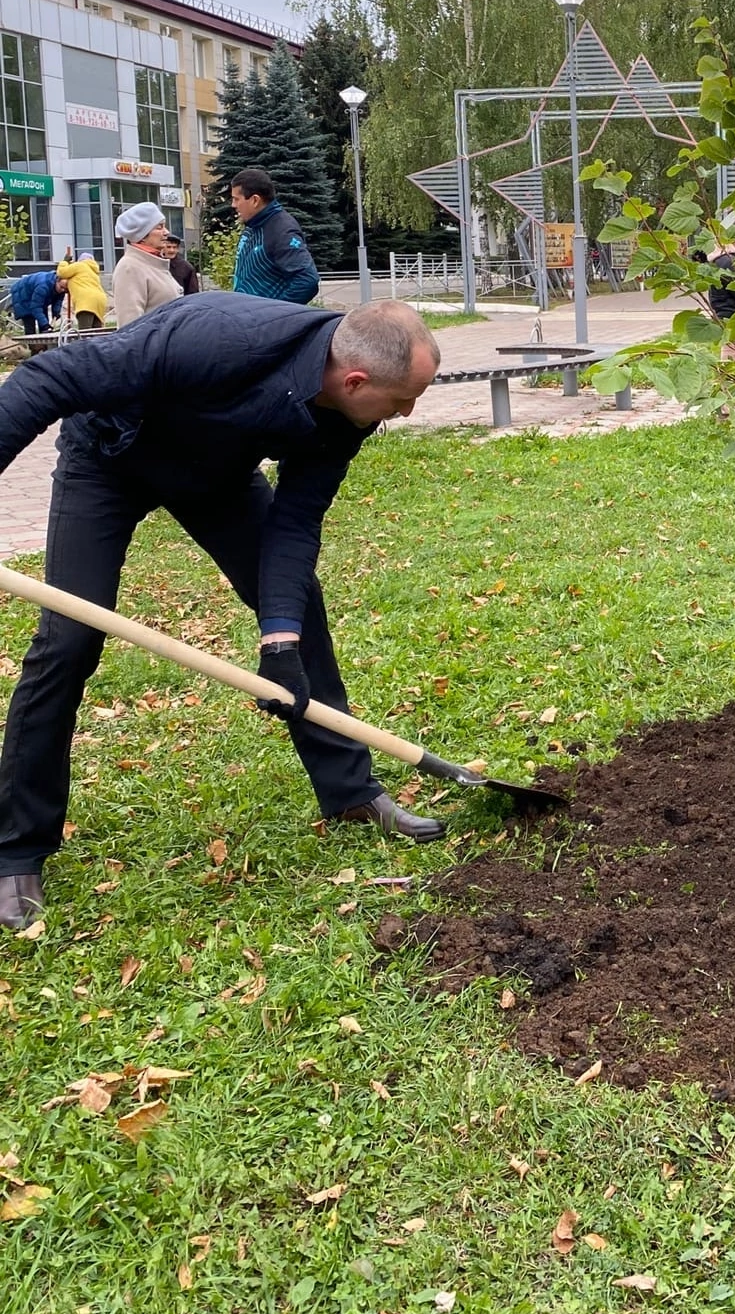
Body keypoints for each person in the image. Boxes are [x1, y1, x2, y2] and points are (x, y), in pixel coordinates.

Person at [0, 297, 444, 931]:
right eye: (404, 399)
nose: (407, 412)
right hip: (110, 459)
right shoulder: (218, 339)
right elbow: (49, 378)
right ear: (355, 380)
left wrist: (280, 640)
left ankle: (349, 792)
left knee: (300, 611)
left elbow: (295, 521)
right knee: (70, 640)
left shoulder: (349, 412)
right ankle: (18, 848)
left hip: (218, 480)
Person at [231, 168, 319, 304]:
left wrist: (274, 315)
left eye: (237, 199)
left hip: (266, 323)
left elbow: (307, 280)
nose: (233, 205)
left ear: (255, 200)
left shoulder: (281, 230)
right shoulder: (252, 227)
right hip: (247, 320)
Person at [111, 203, 183, 327]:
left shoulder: (153, 263)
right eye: (159, 227)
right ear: (142, 235)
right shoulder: (130, 267)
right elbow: (130, 326)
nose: (166, 232)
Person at [56, 252, 107, 330]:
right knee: (97, 335)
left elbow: (62, 272)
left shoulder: (80, 265)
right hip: (100, 301)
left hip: (86, 302)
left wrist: (64, 262)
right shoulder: (93, 272)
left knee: (85, 333)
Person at [8, 269, 65, 337]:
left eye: (65, 289)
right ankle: (32, 346)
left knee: (44, 324)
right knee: (30, 325)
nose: (62, 290)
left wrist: (56, 312)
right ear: (57, 281)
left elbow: (58, 301)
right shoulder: (43, 286)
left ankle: (45, 346)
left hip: (38, 298)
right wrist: (45, 325)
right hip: (23, 297)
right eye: (61, 287)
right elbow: (36, 307)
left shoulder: (62, 287)